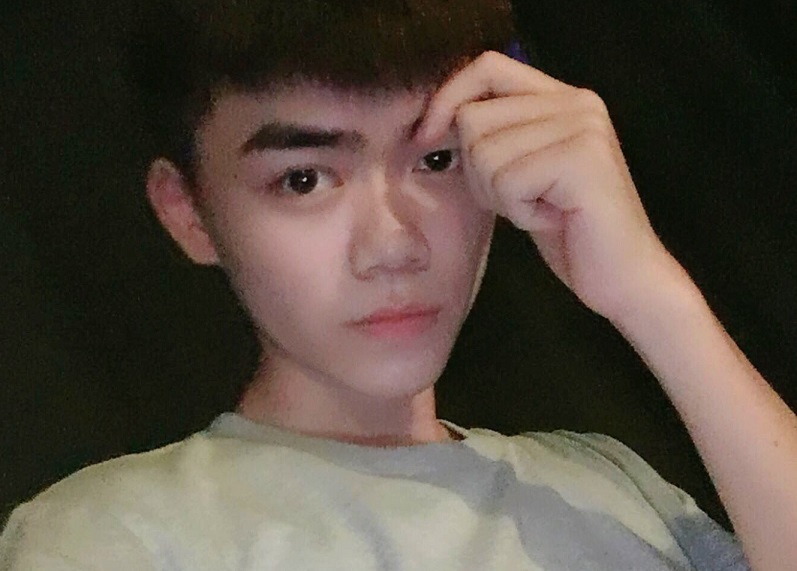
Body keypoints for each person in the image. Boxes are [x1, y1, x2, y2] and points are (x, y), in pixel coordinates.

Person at [1, 0, 795, 569]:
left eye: (437, 158)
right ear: (189, 212)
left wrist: (652, 293)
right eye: (305, 179)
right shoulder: (110, 537)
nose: (393, 245)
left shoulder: (605, 484)